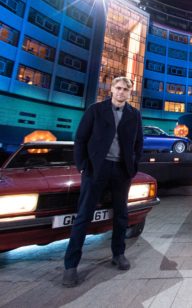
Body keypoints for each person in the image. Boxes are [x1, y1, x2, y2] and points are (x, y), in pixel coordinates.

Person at [62, 76, 143, 287]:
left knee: (121, 215)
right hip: (96, 169)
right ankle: (71, 266)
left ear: (130, 93)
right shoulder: (95, 110)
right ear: (111, 90)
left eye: (126, 89)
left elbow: (139, 144)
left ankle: (118, 253)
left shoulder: (134, 115)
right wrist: (83, 166)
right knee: (83, 216)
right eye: (118, 88)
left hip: (121, 171)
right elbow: (80, 139)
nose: (121, 92)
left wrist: (132, 167)